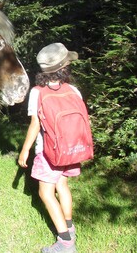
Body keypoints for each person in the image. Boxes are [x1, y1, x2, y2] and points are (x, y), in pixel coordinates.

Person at [18, 43, 83, 253]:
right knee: (62, 186)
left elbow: (35, 125)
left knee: (46, 193)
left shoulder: (37, 92)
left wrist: (24, 150)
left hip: (49, 152)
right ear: (65, 68)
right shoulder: (73, 90)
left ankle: (65, 243)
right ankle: (70, 227)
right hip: (72, 150)